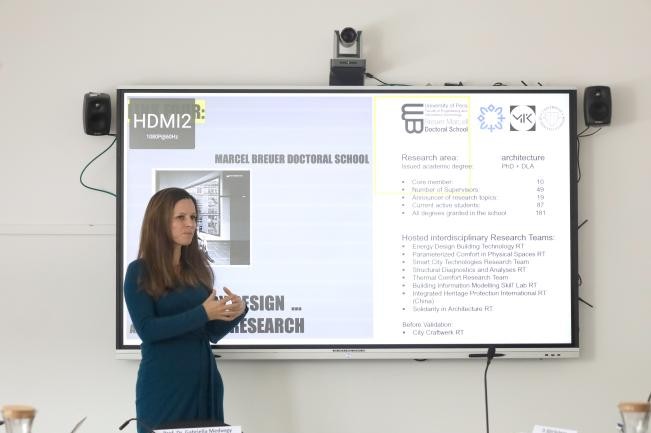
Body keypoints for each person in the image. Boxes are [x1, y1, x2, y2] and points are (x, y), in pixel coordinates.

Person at [124, 187, 247, 432]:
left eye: (193, 217)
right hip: (164, 386)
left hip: (204, 383)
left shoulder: (197, 271)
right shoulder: (139, 271)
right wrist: (203, 313)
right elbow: (147, 330)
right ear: (159, 222)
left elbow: (210, 332)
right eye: (180, 217)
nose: (190, 224)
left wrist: (237, 312)